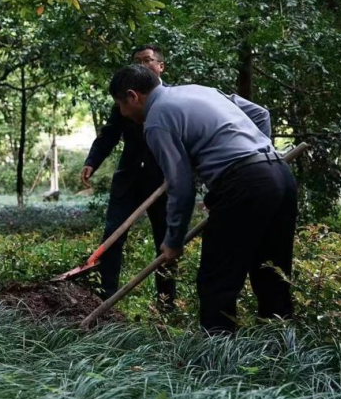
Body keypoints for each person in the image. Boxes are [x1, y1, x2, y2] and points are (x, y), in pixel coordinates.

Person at [108, 64, 297, 334]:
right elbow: (259, 113)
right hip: (280, 174)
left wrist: (173, 241)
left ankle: (218, 360)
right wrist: (256, 157)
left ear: (132, 96)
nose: (123, 113)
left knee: (216, 279)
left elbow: (180, 186)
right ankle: (280, 349)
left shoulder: (157, 120)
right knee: (272, 271)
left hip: (244, 183)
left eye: (120, 105)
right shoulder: (198, 90)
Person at [80, 45, 176, 307]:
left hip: (163, 180)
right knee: (113, 234)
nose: (142, 66)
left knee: (166, 240)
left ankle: (166, 303)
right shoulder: (126, 97)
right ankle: (105, 296)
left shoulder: (171, 100)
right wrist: (92, 162)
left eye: (147, 61)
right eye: (137, 62)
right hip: (129, 178)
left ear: (160, 66)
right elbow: (109, 133)